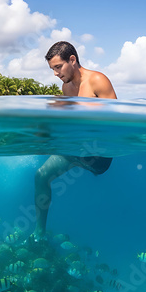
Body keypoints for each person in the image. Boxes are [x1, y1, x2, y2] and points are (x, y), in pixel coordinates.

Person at [32, 41, 117, 239]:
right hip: (76, 151)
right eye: (52, 69)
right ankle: (39, 233)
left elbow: (115, 122)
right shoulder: (66, 88)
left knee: (50, 136)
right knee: (40, 175)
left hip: (100, 157)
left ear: (72, 60)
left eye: (58, 67)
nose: (55, 73)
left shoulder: (98, 80)